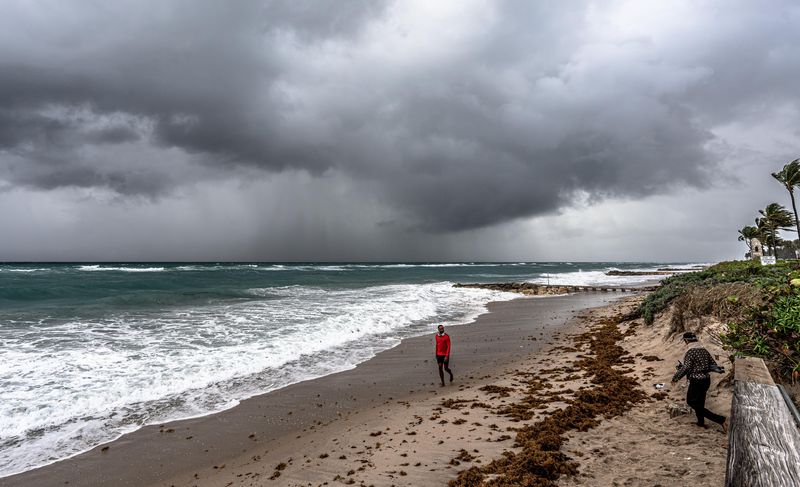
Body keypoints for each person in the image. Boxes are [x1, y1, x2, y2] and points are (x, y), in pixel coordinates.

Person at [671, 331, 728, 432]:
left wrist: (676, 377)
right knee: (700, 403)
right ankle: (701, 423)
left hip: (696, 380)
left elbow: (687, 367)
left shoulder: (690, 351)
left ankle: (720, 420)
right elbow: (713, 364)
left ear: (686, 341)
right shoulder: (704, 350)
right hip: (706, 380)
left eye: (685, 341)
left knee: (691, 402)